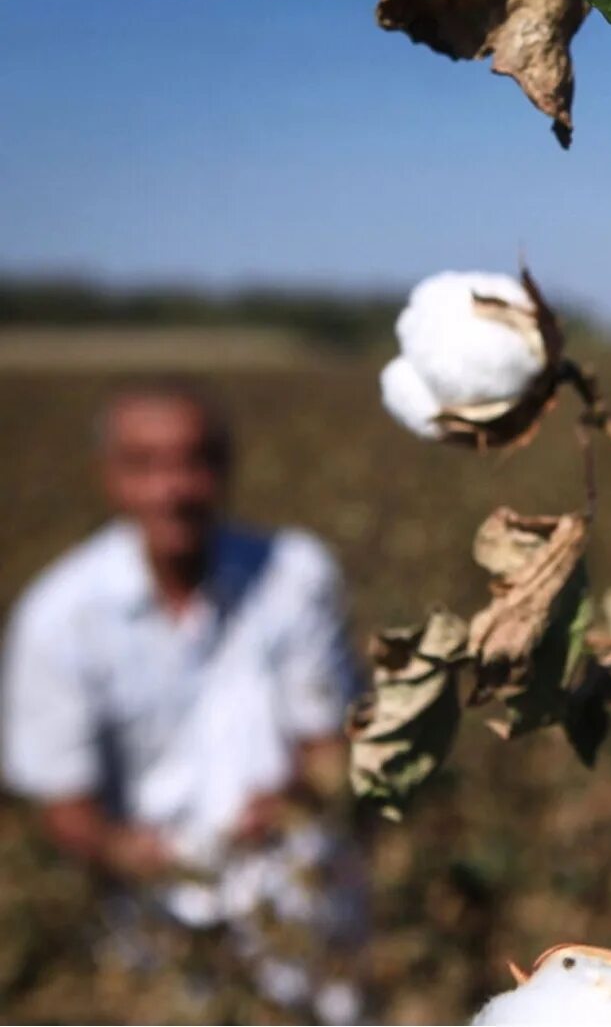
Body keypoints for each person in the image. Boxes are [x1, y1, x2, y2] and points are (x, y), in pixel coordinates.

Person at [1, 380, 365, 1022]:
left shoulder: (295, 575)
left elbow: (331, 741)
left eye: (193, 462)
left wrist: (293, 800)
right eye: (143, 465)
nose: (172, 489)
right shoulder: (59, 617)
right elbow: (63, 803)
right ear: (107, 476)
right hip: (158, 926)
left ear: (224, 470)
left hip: (303, 903)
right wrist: (121, 849)